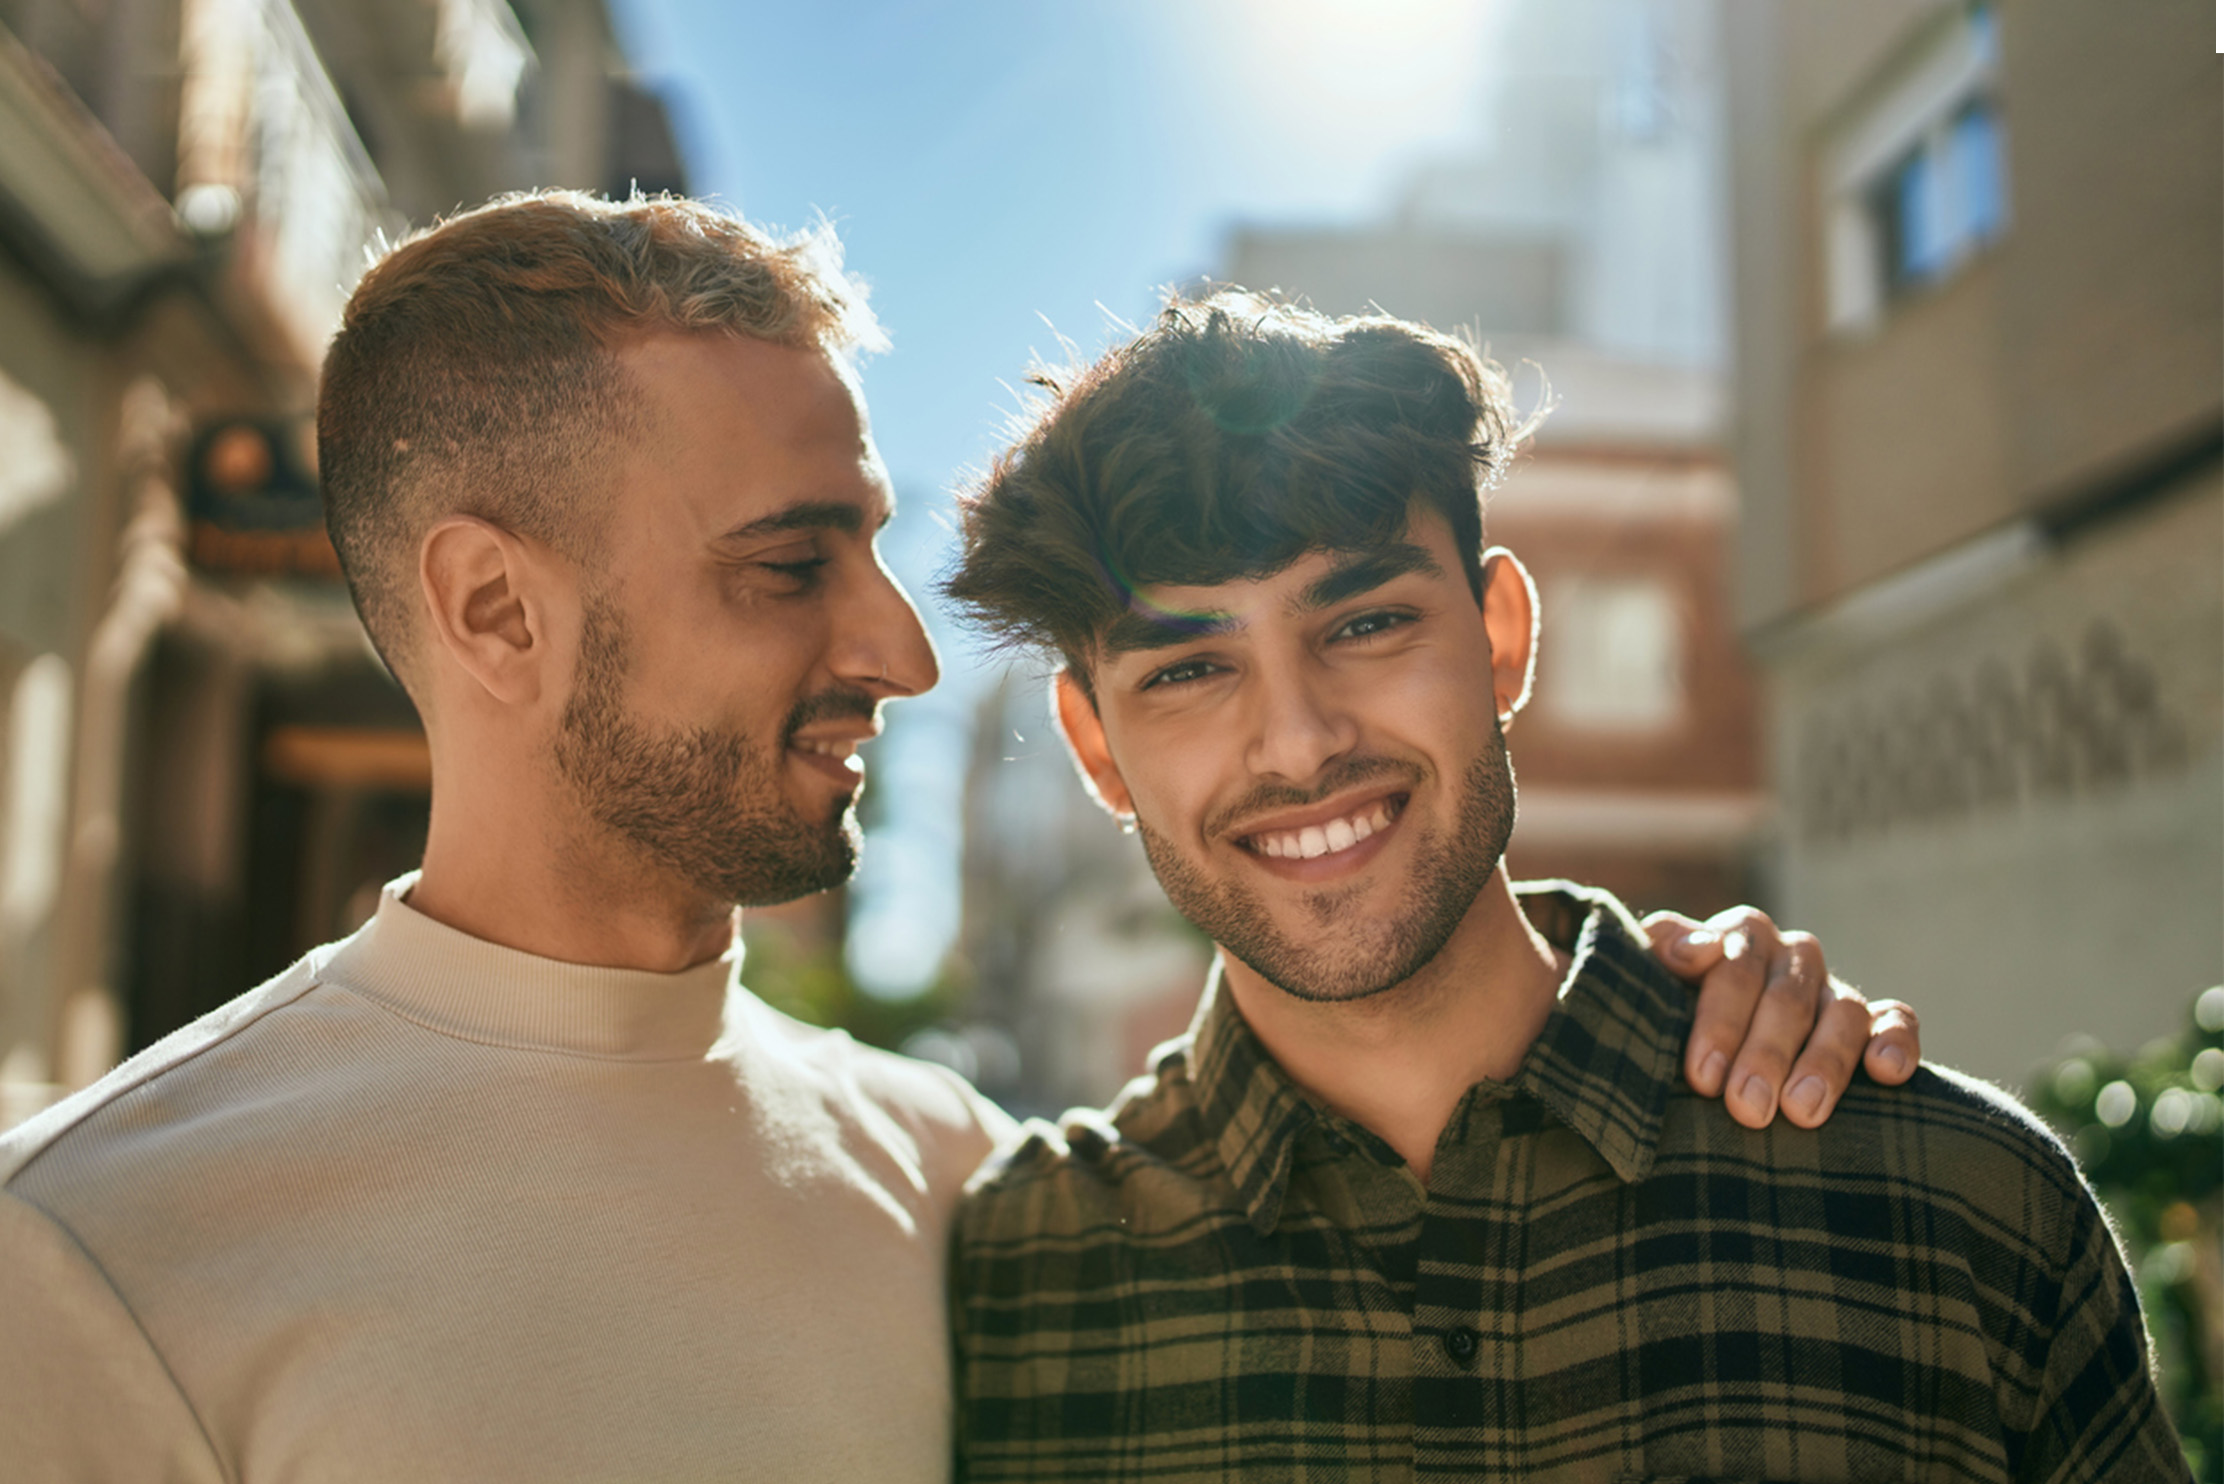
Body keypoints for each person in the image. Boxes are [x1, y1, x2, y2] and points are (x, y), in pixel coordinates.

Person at [0, 195, 1909, 1482]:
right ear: (495, 613)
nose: (896, 648)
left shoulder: (980, 1198)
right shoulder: (87, 1251)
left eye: (871, 541)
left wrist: (1679, 1003)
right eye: (788, 563)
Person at [943, 291, 2188, 1482]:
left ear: (1499, 636)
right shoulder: (1013, 1288)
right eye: (1186, 670)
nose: (1301, 740)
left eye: (1367, 622)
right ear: (1096, 744)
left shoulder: (1957, 1203)